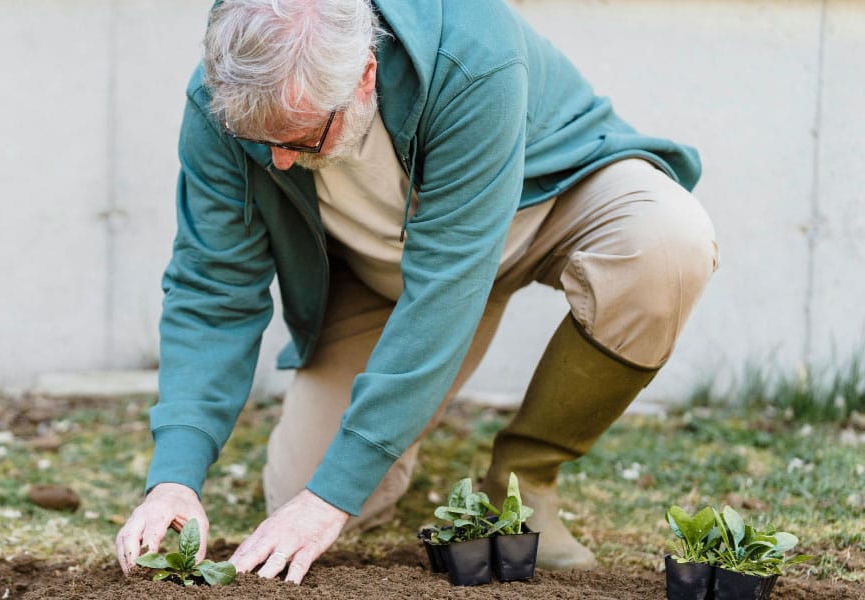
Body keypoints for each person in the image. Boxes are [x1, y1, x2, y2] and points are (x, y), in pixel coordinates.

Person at [116, 0, 718, 584]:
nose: (276, 160)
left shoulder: (471, 51)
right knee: (301, 489)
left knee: (667, 245)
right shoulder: (227, 98)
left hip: (541, 204)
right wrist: (175, 476)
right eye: (259, 141)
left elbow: (448, 283)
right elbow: (212, 286)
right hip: (388, 275)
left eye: (298, 141)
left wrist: (333, 497)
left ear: (364, 75)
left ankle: (524, 474)